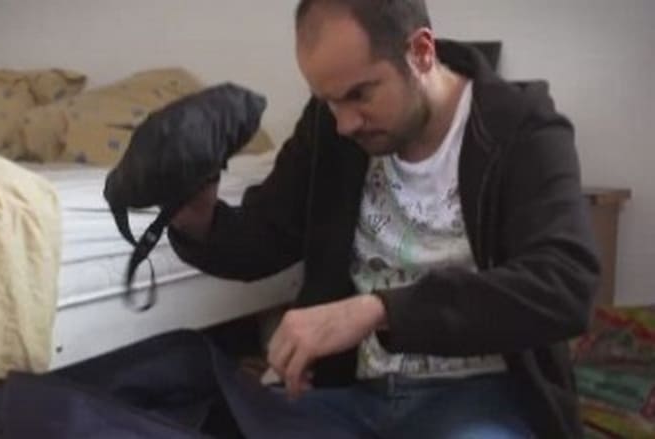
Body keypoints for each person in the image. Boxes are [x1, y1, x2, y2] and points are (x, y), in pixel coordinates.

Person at [168, 0, 600, 437]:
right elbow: (263, 236)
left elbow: (564, 285)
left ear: (421, 52)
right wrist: (196, 218)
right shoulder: (331, 128)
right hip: (350, 397)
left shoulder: (522, 129)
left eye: (360, 94)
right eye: (328, 101)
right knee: (173, 403)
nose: (345, 123)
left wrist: (377, 311)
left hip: (481, 396)